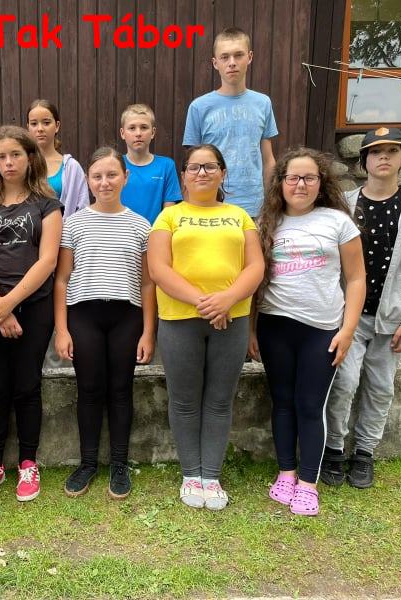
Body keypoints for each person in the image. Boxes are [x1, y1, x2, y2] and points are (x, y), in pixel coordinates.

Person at [249, 148, 366, 516]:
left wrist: (348, 330)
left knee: (310, 405)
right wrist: (251, 329)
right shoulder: (266, 222)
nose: (300, 184)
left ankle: (308, 483)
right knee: (282, 402)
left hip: (321, 330)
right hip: (274, 326)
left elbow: (357, 279)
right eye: (293, 178)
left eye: (309, 178)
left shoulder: (338, 222)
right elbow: (255, 281)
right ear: (281, 183)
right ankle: (286, 472)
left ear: (321, 182)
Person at [148, 144, 264, 511]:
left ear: (222, 173)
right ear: (183, 176)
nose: (202, 173)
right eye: (194, 167)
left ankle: (211, 475)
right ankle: (190, 475)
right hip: (180, 319)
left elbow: (255, 267)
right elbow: (159, 269)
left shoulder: (240, 216)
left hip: (232, 318)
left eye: (210, 167)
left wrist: (227, 299)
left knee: (219, 400)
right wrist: (207, 303)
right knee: (184, 400)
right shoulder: (169, 217)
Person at [321, 128, 401, 489]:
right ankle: (333, 448)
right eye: (375, 151)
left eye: (391, 151)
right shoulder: (345, 204)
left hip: (392, 318)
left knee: (381, 387)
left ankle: (365, 453)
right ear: (364, 161)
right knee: (344, 382)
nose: (383, 157)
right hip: (349, 316)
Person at [0, 125, 63, 502]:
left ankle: (27, 462)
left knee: (26, 384)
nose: (9, 162)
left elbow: (48, 260)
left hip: (34, 308)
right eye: (1, 156)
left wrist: (11, 303)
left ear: (30, 158)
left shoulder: (47, 204)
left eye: (16, 155)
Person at [54, 147, 156, 499]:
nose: (105, 182)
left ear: (125, 177)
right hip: (84, 315)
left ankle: (119, 464)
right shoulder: (74, 223)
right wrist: (62, 329)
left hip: (126, 316)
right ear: (88, 180)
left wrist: (148, 331)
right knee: (89, 388)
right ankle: (87, 463)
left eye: (112, 175)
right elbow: (62, 280)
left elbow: (147, 284)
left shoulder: (141, 225)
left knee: (121, 389)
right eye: (97, 176)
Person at [182, 27, 277, 218]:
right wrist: (189, 210)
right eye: (224, 57)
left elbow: (268, 159)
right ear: (215, 63)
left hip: (254, 207)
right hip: (210, 205)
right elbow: (190, 165)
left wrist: (271, 205)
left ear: (249, 57)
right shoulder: (199, 107)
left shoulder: (263, 103)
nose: (232, 62)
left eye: (238, 55)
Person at [26, 99, 89, 218]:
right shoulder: (21, 165)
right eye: (34, 124)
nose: (40, 129)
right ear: (28, 127)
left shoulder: (71, 167)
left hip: (65, 229)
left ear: (57, 126)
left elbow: (82, 209)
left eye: (46, 122)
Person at [119, 104, 182, 224]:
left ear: (153, 132)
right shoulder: (115, 165)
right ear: (122, 133)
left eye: (144, 127)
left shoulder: (166, 166)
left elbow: (169, 212)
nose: (138, 133)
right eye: (132, 128)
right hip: (120, 233)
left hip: (155, 232)